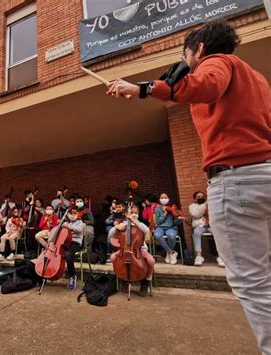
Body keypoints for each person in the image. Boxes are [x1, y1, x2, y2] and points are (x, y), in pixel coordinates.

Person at [107, 19, 271, 352]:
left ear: (198, 49)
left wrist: (142, 89)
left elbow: (204, 84)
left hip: (238, 178)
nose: (188, 65)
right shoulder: (257, 79)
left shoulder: (216, 62)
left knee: (253, 283)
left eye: (187, 57)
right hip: (264, 171)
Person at [110, 205, 155, 297]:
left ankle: (146, 281)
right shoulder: (123, 225)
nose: (134, 215)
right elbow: (110, 236)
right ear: (126, 214)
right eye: (131, 213)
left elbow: (147, 231)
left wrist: (134, 221)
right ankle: (123, 279)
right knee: (113, 257)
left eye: (136, 213)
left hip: (139, 250)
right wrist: (116, 227)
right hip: (124, 250)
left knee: (151, 260)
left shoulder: (140, 225)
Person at [189, 191, 224, 267]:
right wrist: (205, 205)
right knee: (196, 233)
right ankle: (199, 256)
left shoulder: (210, 205)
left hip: (211, 225)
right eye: (199, 197)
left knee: (218, 233)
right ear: (195, 199)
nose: (201, 198)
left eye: (203, 196)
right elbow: (196, 215)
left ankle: (220, 256)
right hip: (200, 226)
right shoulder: (192, 206)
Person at [153, 193, 184, 265]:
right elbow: (158, 222)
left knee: (171, 235)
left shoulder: (173, 207)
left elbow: (176, 223)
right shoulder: (158, 208)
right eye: (162, 197)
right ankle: (172, 252)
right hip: (160, 227)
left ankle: (168, 253)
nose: (163, 199)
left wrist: (179, 219)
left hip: (171, 227)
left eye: (165, 197)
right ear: (159, 199)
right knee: (157, 235)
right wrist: (164, 214)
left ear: (168, 199)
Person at [62, 207, 84, 291]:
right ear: (68, 214)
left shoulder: (80, 223)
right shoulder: (66, 222)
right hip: (65, 242)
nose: (73, 215)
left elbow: (78, 230)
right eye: (71, 213)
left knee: (68, 255)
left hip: (76, 243)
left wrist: (68, 226)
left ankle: (73, 276)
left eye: (75, 213)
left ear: (78, 214)